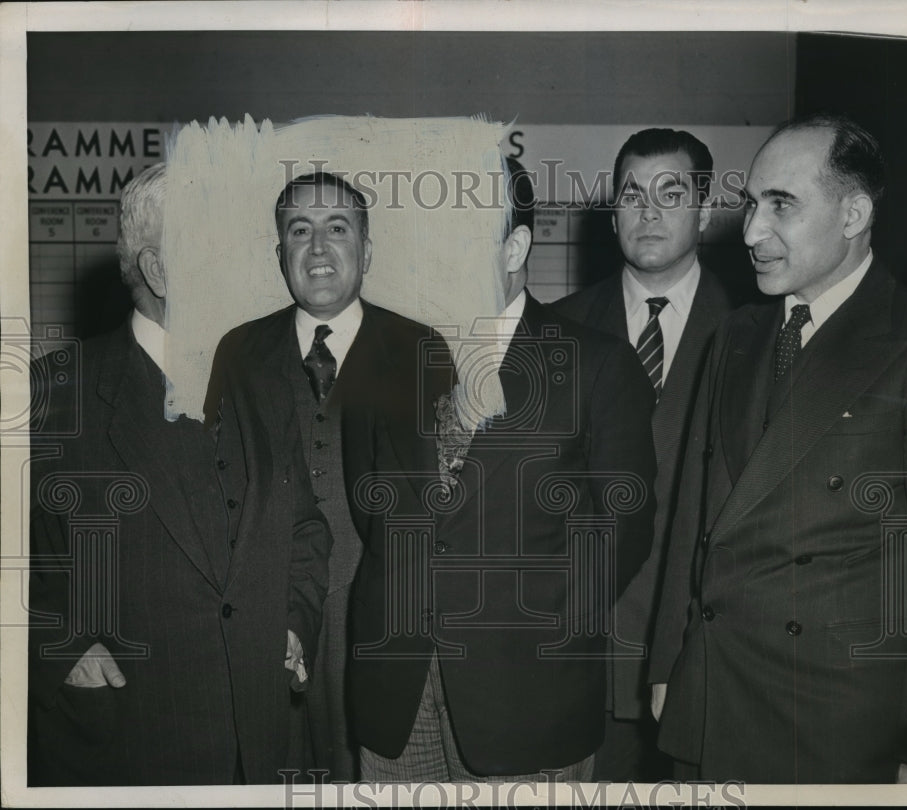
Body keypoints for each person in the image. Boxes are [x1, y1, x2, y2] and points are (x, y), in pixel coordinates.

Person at [648, 113, 907, 783]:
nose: (750, 232)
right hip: (714, 686)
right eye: (750, 203)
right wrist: (666, 665)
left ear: (853, 214)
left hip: (836, 717)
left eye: (782, 205)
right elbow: (695, 514)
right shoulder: (736, 334)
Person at [347, 158, 658, 781]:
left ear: (515, 245)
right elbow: (369, 501)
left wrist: (542, 625)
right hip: (396, 691)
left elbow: (625, 526)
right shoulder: (384, 359)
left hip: (527, 699)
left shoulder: (596, 365)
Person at [28, 163, 331, 785]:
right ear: (158, 271)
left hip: (264, 749)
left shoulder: (270, 381)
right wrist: (55, 647)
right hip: (127, 747)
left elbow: (305, 529)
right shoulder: (55, 395)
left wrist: (296, 622)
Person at [208, 171, 451, 780]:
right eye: (300, 231)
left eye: (337, 229)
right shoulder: (238, 352)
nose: (318, 248)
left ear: (366, 251)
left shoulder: (420, 349)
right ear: (280, 253)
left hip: (380, 621)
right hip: (273, 615)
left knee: (369, 775)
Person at [553, 128, 735, 780]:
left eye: (671, 192)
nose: (648, 210)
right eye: (632, 193)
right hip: (582, 654)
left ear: (706, 210)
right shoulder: (555, 330)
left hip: (705, 655)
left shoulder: (757, 326)